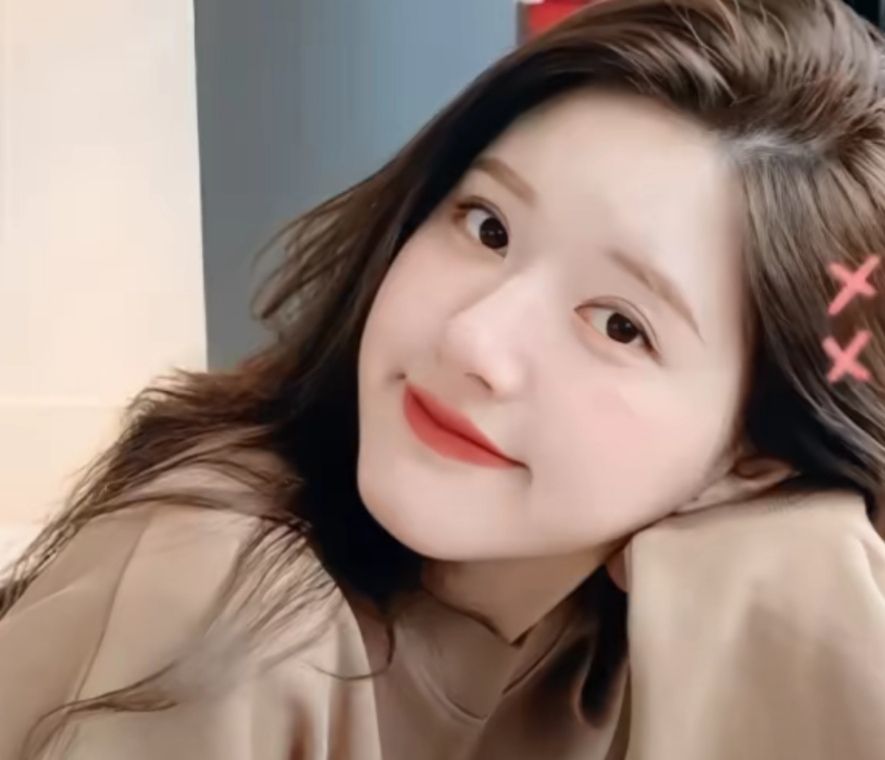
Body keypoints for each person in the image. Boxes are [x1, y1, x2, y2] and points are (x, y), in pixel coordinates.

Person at [2, 0, 885, 757]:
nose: (473, 339)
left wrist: (796, 588)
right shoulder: (217, 614)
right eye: (487, 227)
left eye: (619, 324)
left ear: (756, 457)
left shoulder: (663, 611)